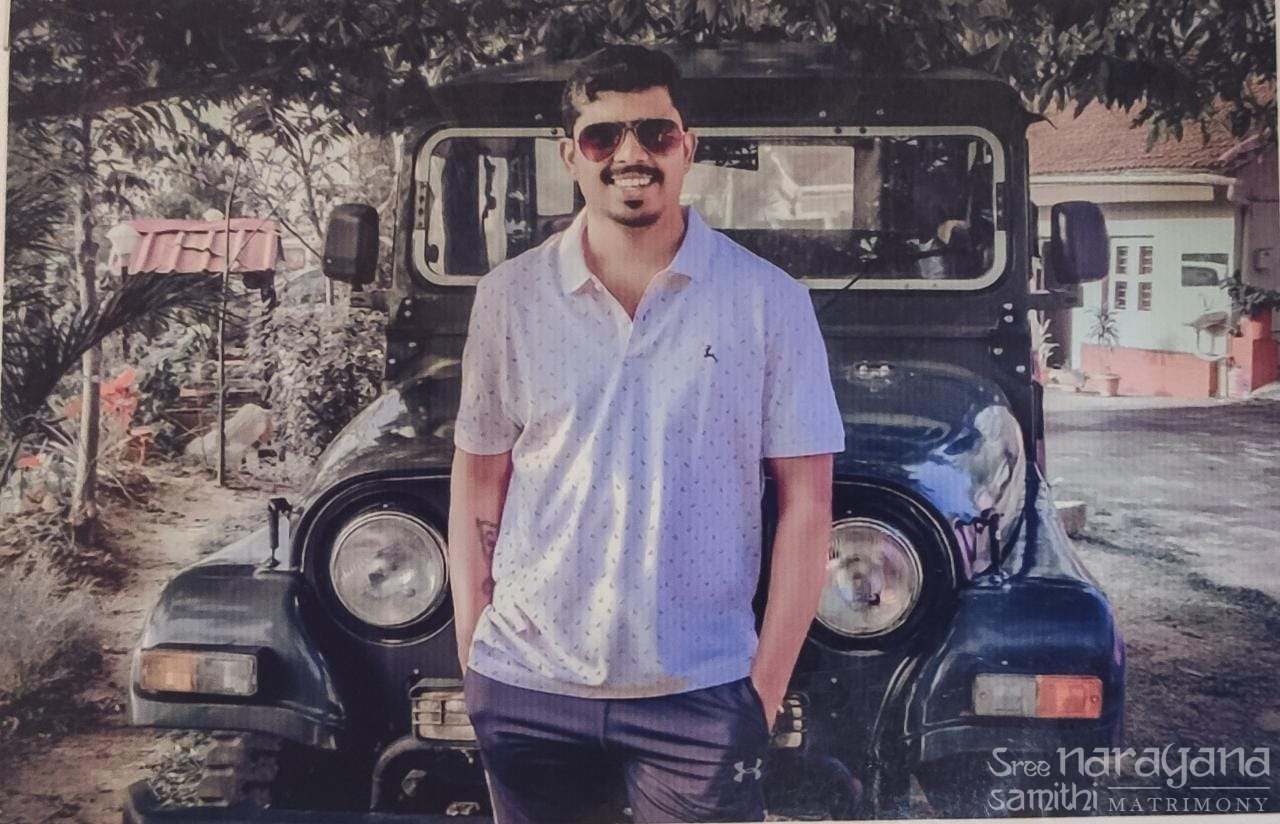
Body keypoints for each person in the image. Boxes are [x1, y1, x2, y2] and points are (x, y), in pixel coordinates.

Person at [448, 44, 845, 824]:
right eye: (603, 136)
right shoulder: (509, 299)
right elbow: (479, 476)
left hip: (700, 691)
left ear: (687, 147)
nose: (630, 154)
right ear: (570, 155)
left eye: (655, 133)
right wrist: (474, 662)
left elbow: (808, 504)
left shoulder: (768, 301)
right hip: (526, 689)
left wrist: (760, 695)